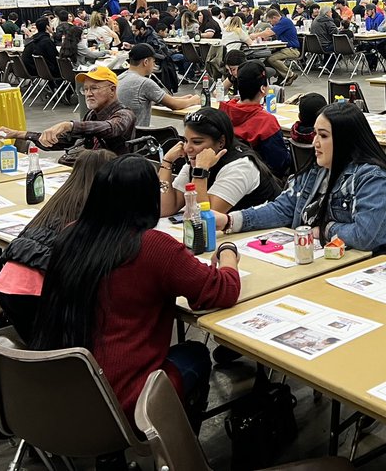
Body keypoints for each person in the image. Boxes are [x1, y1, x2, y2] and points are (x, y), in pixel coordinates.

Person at [32, 155, 240, 425]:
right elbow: (223, 291)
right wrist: (228, 255)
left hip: (56, 389)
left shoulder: (70, 235)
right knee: (195, 353)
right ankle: (179, 453)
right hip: (124, 400)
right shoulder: (153, 247)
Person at [212, 102, 386, 258]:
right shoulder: (317, 170)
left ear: (345, 140)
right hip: (319, 260)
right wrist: (230, 221)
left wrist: (325, 229)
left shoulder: (371, 177)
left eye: (323, 136)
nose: (315, 142)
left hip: (362, 267)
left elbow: (367, 236)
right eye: (315, 134)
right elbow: (282, 208)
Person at [0, 149, 114, 341]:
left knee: (38, 344)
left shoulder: (62, 199)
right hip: (36, 293)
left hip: (8, 285)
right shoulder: (92, 208)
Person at [0, 66, 136, 161]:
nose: (88, 94)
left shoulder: (124, 114)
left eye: (94, 88)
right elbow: (65, 141)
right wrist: (18, 134)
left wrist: (69, 125)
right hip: (87, 171)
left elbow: (111, 128)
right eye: (85, 89)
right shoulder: (92, 115)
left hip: (113, 177)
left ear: (112, 90)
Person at [159, 108, 282, 214]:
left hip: (265, 236)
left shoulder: (241, 166)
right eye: (185, 140)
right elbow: (165, 209)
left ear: (221, 142)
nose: (187, 148)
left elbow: (203, 218)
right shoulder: (196, 160)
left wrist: (200, 171)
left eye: (197, 142)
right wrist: (167, 162)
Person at [218, 61, 292, 179]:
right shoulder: (266, 122)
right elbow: (279, 162)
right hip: (260, 180)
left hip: (225, 172)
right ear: (263, 89)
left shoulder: (223, 110)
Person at [116, 45, 198, 128]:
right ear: (146, 62)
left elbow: (157, 99)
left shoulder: (120, 78)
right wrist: (193, 100)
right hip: (137, 135)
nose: (154, 64)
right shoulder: (144, 83)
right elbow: (175, 105)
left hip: (121, 133)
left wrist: (182, 98)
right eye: (154, 61)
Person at [262, 7, 301, 82]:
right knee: (266, 60)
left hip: (292, 49)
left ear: (274, 18)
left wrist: (255, 35)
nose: (271, 24)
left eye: (270, 21)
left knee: (272, 59)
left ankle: (290, 75)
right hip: (284, 48)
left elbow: (270, 33)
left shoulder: (285, 22)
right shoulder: (280, 24)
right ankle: (281, 76)